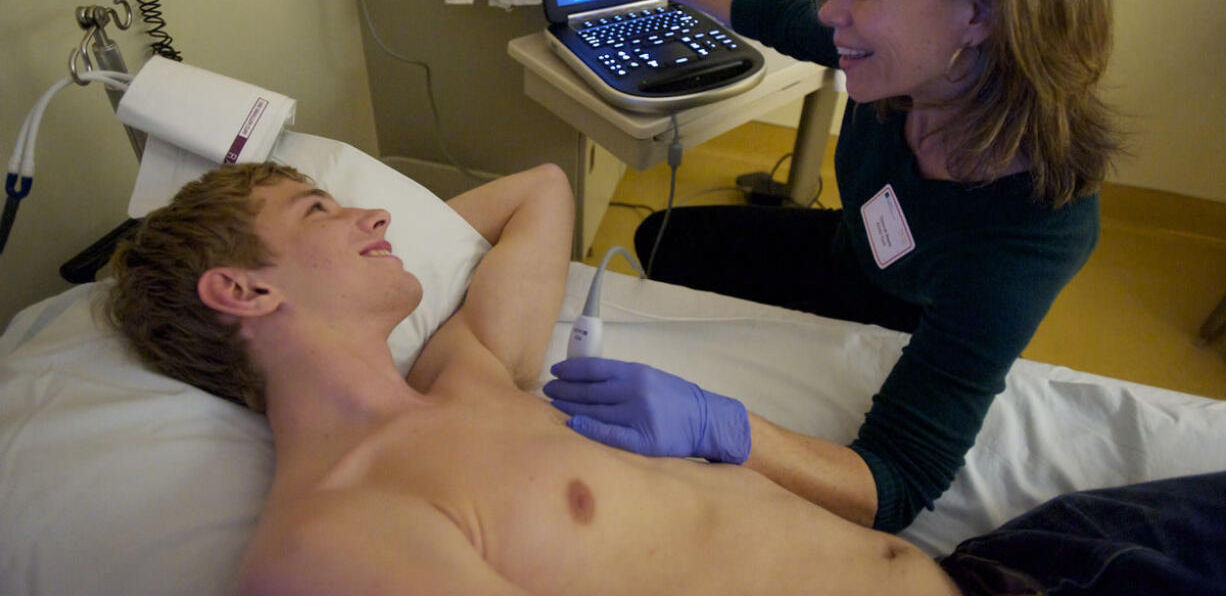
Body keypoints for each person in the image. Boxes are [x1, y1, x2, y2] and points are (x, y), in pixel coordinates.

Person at [104, 162, 1226, 596]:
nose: (372, 210)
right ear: (240, 293)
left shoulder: (460, 375)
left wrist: (362, 251)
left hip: (1013, 562)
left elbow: (542, 189)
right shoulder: (330, 537)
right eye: (320, 209)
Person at [544, 0, 1124, 533]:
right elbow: (782, 16)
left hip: (908, 311)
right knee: (660, 239)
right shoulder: (909, 72)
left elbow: (899, 480)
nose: (831, 13)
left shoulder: (1036, 224)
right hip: (850, 254)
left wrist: (720, 426)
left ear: (983, 11)